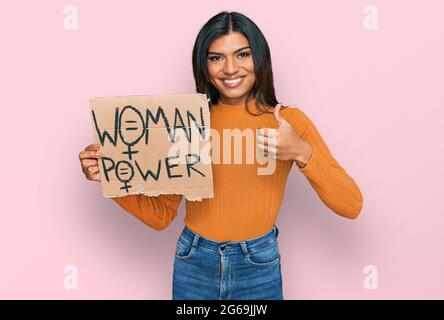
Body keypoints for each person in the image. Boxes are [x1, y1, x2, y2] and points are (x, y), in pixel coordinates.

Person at [79, 11, 363, 300]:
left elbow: (351, 205)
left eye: (242, 54)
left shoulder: (288, 122)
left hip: (258, 266)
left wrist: (302, 152)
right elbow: (161, 215)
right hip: (194, 262)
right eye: (216, 58)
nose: (230, 69)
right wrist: (113, 178)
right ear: (203, 64)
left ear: (260, 58)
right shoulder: (187, 122)